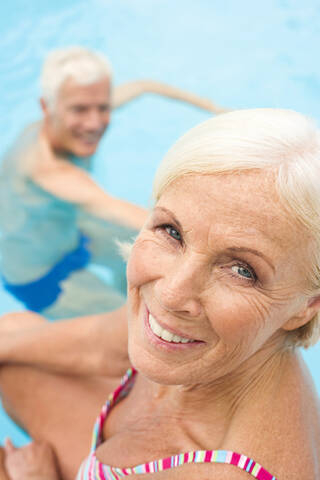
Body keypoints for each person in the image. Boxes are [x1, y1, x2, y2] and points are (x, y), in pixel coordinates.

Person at [1, 108, 320, 480]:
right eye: (171, 231)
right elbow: (100, 344)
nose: (170, 294)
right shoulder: (215, 338)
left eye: (241, 271)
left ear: (307, 307)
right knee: (13, 335)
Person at [0, 46, 225, 320]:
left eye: (103, 108)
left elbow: (145, 86)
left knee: (141, 254)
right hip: (42, 278)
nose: (94, 123)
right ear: (47, 107)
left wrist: (215, 109)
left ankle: (126, 288)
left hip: (74, 234)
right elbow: (111, 207)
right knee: (139, 327)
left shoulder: (77, 110)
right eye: (80, 110)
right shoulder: (46, 169)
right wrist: (210, 239)